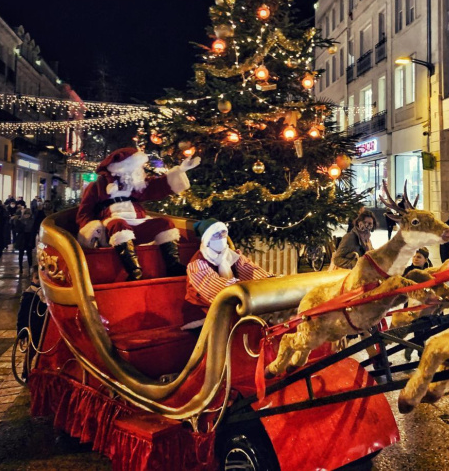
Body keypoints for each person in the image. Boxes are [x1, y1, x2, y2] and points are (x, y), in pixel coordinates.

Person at [76, 147, 200, 280]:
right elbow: (85, 212)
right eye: (135, 167)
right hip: (112, 227)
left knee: (164, 224)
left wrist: (180, 170)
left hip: (138, 223)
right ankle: (134, 270)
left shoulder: (137, 183)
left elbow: (157, 186)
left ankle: (173, 265)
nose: (139, 170)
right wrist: (90, 229)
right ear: (122, 168)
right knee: (119, 225)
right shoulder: (98, 186)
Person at [185, 219, 270, 308]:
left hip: (235, 300)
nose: (221, 238)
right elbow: (210, 284)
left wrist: (268, 281)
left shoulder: (233, 255)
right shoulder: (198, 262)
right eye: (216, 235)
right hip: (206, 307)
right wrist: (240, 288)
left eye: (223, 233)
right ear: (207, 240)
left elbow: (249, 269)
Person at [16, 268, 46, 381]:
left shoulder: (46, 293)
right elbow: (22, 315)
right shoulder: (29, 294)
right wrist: (21, 333)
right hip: (33, 327)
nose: (39, 280)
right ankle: (26, 371)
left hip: (42, 326)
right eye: (36, 277)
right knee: (31, 350)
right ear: (32, 278)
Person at [14, 209, 37, 273]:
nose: (27, 215)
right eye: (25, 214)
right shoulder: (20, 220)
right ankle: (20, 267)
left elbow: (33, 230)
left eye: (28, 214)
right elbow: (17, 230)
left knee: (29, 253)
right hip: (22, 238)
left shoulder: (32, 221)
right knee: (21, 253)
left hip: (28, 237)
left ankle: (30, 266)